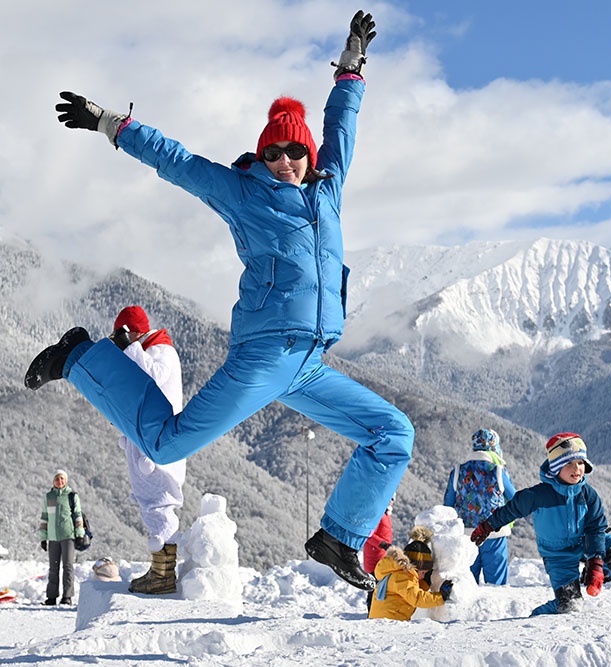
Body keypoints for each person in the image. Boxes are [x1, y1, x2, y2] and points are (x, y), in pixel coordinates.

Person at [24, 10, 411, 591]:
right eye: (274, 150)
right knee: (164, 441)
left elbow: (342, 126)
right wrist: (110, 123)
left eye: (294, 152)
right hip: (263, 356)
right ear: (262, 154)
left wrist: (352, 65)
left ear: (309, 157)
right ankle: (80, 356)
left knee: (393, 433)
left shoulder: (327, 191)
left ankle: (339, 536)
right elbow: (176, 161)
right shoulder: (244, 193)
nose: (284, 160)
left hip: (308, 362)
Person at [471, 433, 608, 616]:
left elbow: (596, 527)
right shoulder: (539, 495)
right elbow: (512, 508)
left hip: (585, 542)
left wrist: (596, 560)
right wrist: (488, 526)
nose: (577, 468)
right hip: (558, 554)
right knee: (569, 605)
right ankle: (533, 622)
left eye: (581, 462)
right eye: (568, 463)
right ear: (556, 468)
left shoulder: (588, 494)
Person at [109, 306, 186, 595]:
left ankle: (163, 576)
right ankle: (159, 570)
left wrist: (129, 348)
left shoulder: (161, 351)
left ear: (134, 332)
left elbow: (153, 376)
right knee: (151, 503)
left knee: (160, 503)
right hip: (150, 441)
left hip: (158, 445)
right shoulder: (149, 348)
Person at [443, 428, 516, 585]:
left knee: (466, 583)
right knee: (496, 585)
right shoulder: (498, 471)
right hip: (494, 532)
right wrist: (508, 521)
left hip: (466, 535)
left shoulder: (458, 471)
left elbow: (448, 506)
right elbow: (515, 499)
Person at [368, 527, 453, 621]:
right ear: (415, 568)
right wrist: (441, 597)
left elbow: (409, 590)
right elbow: (417, 598)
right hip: (389, 622)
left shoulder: (398, 572)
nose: (423, 576)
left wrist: (424, 583)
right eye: (423, 572)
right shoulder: (402, 577)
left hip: (384, 619)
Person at [40, 469, 86, 605]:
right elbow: (44, 518)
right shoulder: (49, 497)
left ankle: (67, 596)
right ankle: (52, 597)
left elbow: (78, 515)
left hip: (68, 536)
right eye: (57, 479)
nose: (59, 481)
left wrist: (80, 535)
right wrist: (43, 537)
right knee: (53, 568)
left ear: (66, 480)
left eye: (62, 479)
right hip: (53, 538)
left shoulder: (72, 496)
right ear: (53, 481)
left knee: (68, 566)